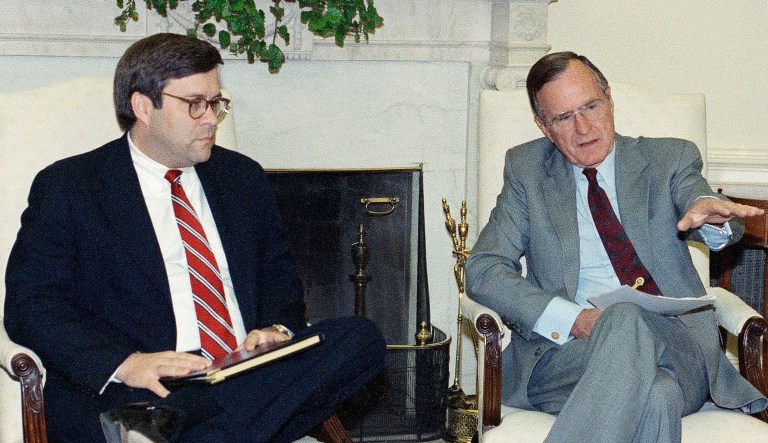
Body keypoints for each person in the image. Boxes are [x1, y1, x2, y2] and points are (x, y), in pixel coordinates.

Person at [3, 33, 386, 443]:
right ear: (143, 106)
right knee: (262, 408)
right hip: (143, 384)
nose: (210, 119)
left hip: (243, 370)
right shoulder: (72, 186)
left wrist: (276, 329)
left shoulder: (242, 177)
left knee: (361, 339)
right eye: (195, 104)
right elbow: (30, 305)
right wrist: (128, 363)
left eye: (216, 103)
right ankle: (184, 419)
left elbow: (279, 277)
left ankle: (171, 423)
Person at [465, 51, 768, 442]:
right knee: (658, 395)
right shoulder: (527, 171)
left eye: (590, 105)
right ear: (544, 127)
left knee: (624, 316)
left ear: (609, 99)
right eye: (563, 117)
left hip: (678, 346)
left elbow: (697, 197)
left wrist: (711, 218)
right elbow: (484, 268)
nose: (583, 126)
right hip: (568, 356)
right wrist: (572, 319)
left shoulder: (668, 158)